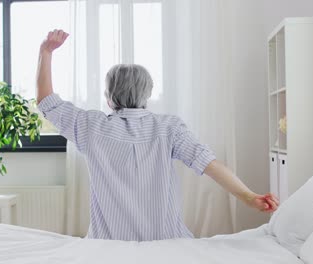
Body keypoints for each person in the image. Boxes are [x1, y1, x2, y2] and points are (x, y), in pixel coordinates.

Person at [36, 29, 279, 241]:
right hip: (168, 242)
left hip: (107, 246)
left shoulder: (90, 125)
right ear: (147, 93)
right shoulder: (169, 127)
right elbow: (211, 165)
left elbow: (46, 101)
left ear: (109, 98)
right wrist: (248, 197)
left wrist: (46, 52)